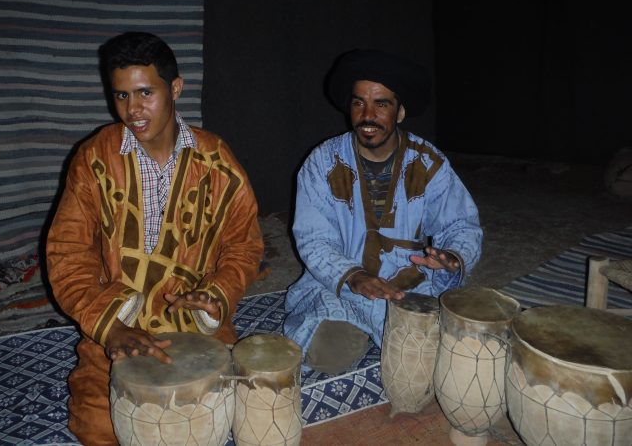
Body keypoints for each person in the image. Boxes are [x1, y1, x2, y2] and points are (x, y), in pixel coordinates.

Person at [46, 32, 264, 445]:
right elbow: (67, 254)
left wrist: (216, 294)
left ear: (175, 88)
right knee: (100, 427)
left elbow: (244, 243)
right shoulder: (94, 158)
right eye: (122, 95)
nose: (133, 109)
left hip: (196, 329)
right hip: (116, 323)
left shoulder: (217, 161)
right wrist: (110, 329)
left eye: (145, 92)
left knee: (246, 413)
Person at [283, 49, 482, 375]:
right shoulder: (321, 163)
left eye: (381, 104)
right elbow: (313, 238)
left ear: (400, 111)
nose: (367, 115)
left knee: (462, 353)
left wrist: (452, 257)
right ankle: (365, 327)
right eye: (358, 102)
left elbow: (461, 223)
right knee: (325, 354)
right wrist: (354, 276)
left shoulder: (429, 163)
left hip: (412, 285)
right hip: (345, 286)